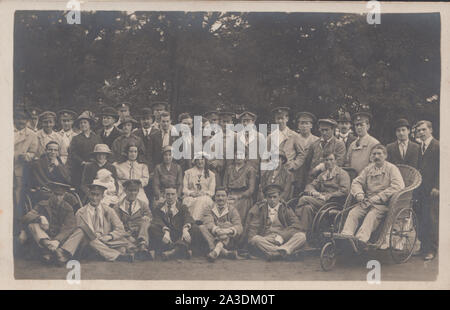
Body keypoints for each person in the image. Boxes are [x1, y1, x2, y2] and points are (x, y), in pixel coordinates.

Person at [54, 180, 134, 264]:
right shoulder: (80, 212)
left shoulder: (109, 211)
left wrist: (109, 236)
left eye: (97, 195)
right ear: (88, 195)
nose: (94, 198)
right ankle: (117, 257)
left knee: (122, 249)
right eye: (92, 194)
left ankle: (63, 254)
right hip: (87, 245)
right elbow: (76, 234)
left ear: (102, 197)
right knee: (83, 230)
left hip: (105, 242)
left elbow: (120, 229)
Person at [341, 144, 405, 246]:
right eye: (374, 154)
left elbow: (398, 186)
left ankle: (360, 241)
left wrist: (379, 197)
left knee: (371, 216)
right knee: (353, 213)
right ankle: (346, 238)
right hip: (366, 201)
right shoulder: (368, 169)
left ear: (385, 155)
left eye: (379, 154)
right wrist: (359, 194)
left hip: (382, 204)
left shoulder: (391, 169)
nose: (376, 157)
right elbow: (356, 182)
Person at [246, 184, 306, 261]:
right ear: (266, 198)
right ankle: (282, 252)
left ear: (279, 197)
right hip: (267, 239)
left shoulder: (285, 209)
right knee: (256, 239)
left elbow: (297, 225)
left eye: (275, 197)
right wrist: (251, 241)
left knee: (301, 236)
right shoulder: (260, 209)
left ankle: (277, 251)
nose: (272, 200)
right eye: (269, 197)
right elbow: (254, 226)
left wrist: (283, 236)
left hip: (283, 239)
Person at [20, 182, 76, 263]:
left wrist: (57, 240)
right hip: (44, 236)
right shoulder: (42, 204)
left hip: (58, 238)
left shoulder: (68, 208)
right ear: (51, 193)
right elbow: (26, 217)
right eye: (56, 194)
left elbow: (69, 227)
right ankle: (50, 247)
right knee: (32, 225)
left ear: (64, 195)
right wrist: (39, 217)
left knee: (70, 232)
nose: (58, 198)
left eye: (61, 195)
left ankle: (49, 251)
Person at [295, 152, 350, 233]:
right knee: (307, 208)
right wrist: (314, 192)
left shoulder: (342, 174)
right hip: (321, 201)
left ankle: (295, 221)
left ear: (336, 161)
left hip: (333, 202)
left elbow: (345, 191)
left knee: (304, 199)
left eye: (331, 159)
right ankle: (304, 233)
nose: (329, 162)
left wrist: (329, 195)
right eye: (326, 160)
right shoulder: (323, 175)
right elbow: (310, 186)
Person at [149, 187, 202, 260]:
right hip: (166, 237)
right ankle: (179, 251)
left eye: (172, 194)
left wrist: (185, 229)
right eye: (168, 194)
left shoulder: (182, 207)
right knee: (152, 227)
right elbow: (157, 220)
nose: (170, 197)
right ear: (164, 195)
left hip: (180, 235)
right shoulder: (159, 207)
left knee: (195, 228)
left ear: (176, 195)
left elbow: (188, 217)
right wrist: (166, 231)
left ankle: (173, 252)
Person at [414, 120, 439, 261]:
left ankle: (432, 250)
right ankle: (423, 247)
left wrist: (438, 186)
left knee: (432, 219)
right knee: (422, 218)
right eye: (419, 130)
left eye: (424, 130)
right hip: (421, 189)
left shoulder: (438, 146)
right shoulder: (420, 147)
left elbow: (443, 168)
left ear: (431, 130)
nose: (421, 133)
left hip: (432, 190)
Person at [113, 179, 154, 260]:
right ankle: (136, 250)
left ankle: (142, 245)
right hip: (126, 234)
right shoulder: (118, 206)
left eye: (135, 190)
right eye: (130, 190)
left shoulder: (143, 205)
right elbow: (116, 225)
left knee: (146, 220)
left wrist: (147, 218)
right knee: (120, 240)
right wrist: (127, 235)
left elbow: (150, 217)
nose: (133, 193)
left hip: (141, 233)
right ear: (125, 191)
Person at [200, 187, 243, 262]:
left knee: (227, 224)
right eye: (218, 196)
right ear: (214, 197)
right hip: (212, 236)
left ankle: (216, 250)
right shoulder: (209, 208)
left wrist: (227, 231)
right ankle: (223, 252)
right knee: (201, 227)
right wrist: (217, 230)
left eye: (223, 196)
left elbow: (239, 226)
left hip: (228, 240)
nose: (220, 198)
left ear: (227, 197)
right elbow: (208, 222)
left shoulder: (232, 209)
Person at [267, 107, 306, 177]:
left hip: (289, 173)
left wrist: (293, 165)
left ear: (287, 119)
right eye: (278, 118)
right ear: (275, 120)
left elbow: (302, 155)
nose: (280, 121)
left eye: (282, 118)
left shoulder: (294, 136)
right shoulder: (271, 136)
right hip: (274, 172)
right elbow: (266, 154)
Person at [68, 111, 102, 187]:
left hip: (94, 166)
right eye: (81, 123)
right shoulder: (76, 138)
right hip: (80, 168)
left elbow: (100, 151)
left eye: (85, 122)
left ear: (89, 124)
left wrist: (95, 162)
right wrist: (82, 162)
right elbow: (72, 153)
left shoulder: (96, 138)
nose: (83, 124)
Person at [223, 151, 257, 224]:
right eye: (236, 155)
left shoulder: (250, 169)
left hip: (243, 197)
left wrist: (239, 196)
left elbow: (251, 190)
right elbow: (225, 185)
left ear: (245, 157)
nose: (238, 157)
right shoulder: (229, 168)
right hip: (230, 194)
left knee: (237, 215)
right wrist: (227, 195)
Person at [14, 109, 38, 209]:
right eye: (18, 118)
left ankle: (17, 216)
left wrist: (27, 156)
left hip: (20, 168)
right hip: (4, 166)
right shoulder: (4, 130)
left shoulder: (31, 134)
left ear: (27, 121)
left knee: (18, 192)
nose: (21, 121)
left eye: (24, 119)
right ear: (14, 119)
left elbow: (33, 152)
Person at [182, 154, 216, 222]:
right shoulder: (188, 173)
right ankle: (189, 221)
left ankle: (195, 221)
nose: (200, 162)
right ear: (195, 161)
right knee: (188, 201)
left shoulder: (211, 174)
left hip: (205, 197)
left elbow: (212, 191)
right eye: (198, 160)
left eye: (202, 159)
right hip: (191, 196)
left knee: (202, 200)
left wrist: (203, 193)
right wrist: (191, 193)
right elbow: (184, 189)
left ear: (205, 161)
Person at [294, 111, 320, 195]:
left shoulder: (317, 140)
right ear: (298, 125)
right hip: (296, 174)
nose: (304, 126)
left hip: (310, 174)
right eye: (302, 123)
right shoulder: (293, 139)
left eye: (307, 123)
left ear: (311, 125)